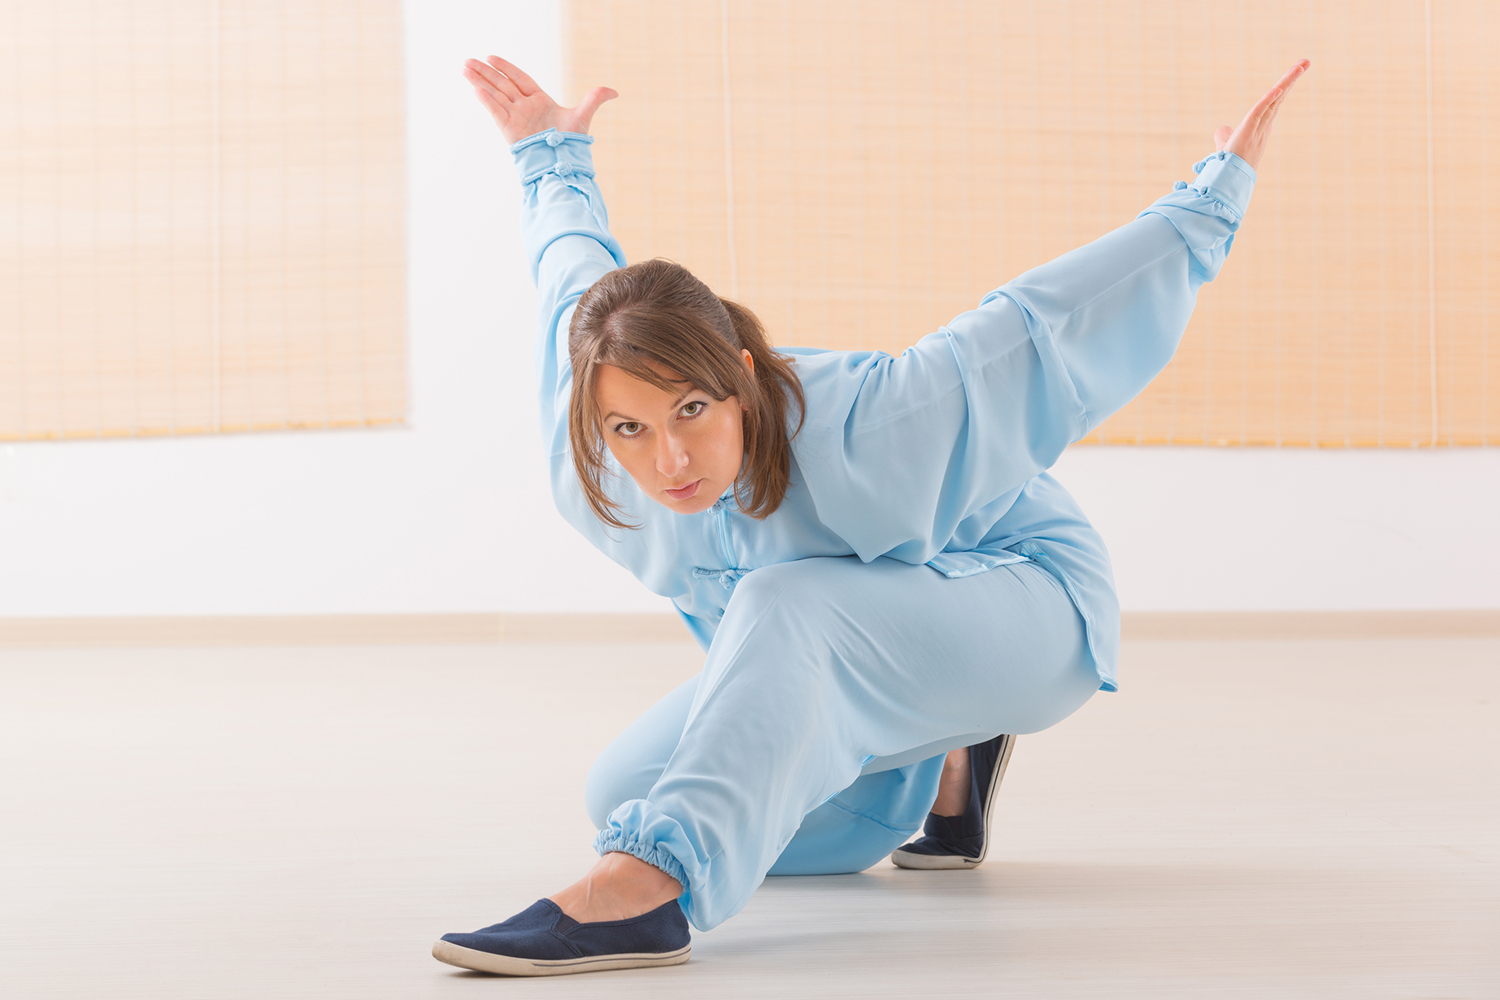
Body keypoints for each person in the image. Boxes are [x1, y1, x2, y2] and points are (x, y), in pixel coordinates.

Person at [434, 53, 1309, 977]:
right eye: (632, 429)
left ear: (737, 373)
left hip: (1025, 598)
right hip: (870, 634)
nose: (671, 461)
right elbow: (571, 269)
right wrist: (550, 156)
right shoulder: (595, 453)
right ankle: (931, 766)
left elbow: (1039, 325)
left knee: (783, 608)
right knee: (624, 785)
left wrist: (1211, 203)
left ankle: (644, 890)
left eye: (692, 409)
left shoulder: (863, 418)